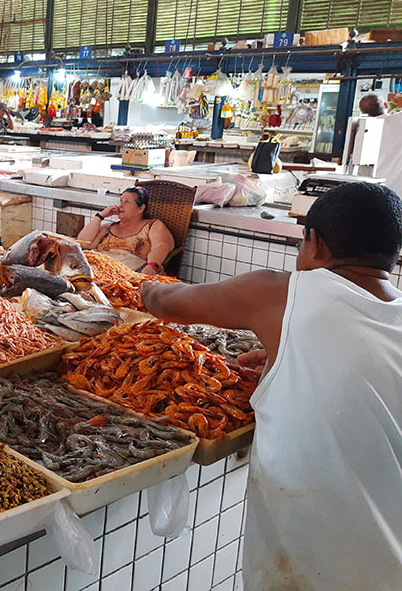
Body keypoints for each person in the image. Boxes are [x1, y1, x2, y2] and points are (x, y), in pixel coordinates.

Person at [140, 182, 402, 591]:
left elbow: (167, 304)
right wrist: (286, 355)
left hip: (318, 567)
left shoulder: (282, 292)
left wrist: (142, 279)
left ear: (315, 243)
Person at [77, 187, 174, 274]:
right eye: (121, 201)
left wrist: (153, 266)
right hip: (101, 274)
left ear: (141, 208)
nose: (120, 205)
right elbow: (84, 243)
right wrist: (100, 216)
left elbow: (161, 246)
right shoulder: (108, 228)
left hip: (131, 277)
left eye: (127, 202)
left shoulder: (153, 226)